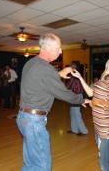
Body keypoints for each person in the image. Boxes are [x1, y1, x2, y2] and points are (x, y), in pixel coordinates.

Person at [16, 33, 90, 171]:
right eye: (59, 47)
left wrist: (59, 73)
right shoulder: (46, 68)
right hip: (34, 121)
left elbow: (41, 79)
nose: (61, 51)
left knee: (30, 163)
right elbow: (63, 93)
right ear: (48, 47)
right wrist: (82, 99)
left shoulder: (31, 63)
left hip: (24, 118)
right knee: (42, 165)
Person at [71, 52, 109, 171]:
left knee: (103, 163)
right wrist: (80, 78)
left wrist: (100, 105)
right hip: (98, 124)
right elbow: (91, 94)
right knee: (107, 158)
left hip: (106, 127)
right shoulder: (103, 78)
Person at [66, 61, 88, 136]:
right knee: (73, 113)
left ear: (74, 67)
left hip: (77, 96)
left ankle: (84, 131)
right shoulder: (73, 75)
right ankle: (74, 129)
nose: (69, 67)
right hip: (74, 96)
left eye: (70, 66)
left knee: (76, 114)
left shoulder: (75, 76)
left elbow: (68, 86)